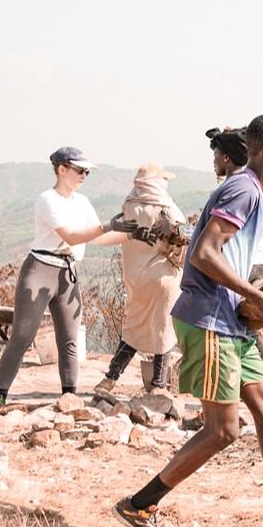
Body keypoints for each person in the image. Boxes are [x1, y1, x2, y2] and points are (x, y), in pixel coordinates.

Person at [114, 115, 263, 527]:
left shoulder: (252, 191)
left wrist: (254, 297)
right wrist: (254, 296)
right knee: (222, 430)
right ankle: (139, 504)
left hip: (231, 320)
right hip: (209, 320)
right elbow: (203, 253)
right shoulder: (243, 190)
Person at [0, 148, 135, 411]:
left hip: (67, 272)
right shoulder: (47, 199)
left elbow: (99, 238)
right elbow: (70, 235)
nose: (84, 175)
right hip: (40, 269)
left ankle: (69, 397)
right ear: (61, 169)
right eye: (80, 170)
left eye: (86, 171)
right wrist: (107, 225)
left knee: (69, 339)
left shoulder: (82, 202)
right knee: (23, 335)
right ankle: (0, 394)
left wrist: (133, 235)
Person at [95, 163, 190, 396]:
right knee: (164, 331)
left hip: (135, 279)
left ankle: (109, 379)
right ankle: (158, 385)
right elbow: (185, 237)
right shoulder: (166, 208)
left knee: (134, 329)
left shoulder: (127, 206)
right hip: (162, 278)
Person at [207, 126, 263, 280]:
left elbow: (216, 233)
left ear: (226, 158)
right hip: (254, 262)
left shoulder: (238, 189)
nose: (214, 161)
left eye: (216, 155)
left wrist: (179, 231)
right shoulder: (244, 184)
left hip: (242, 265)